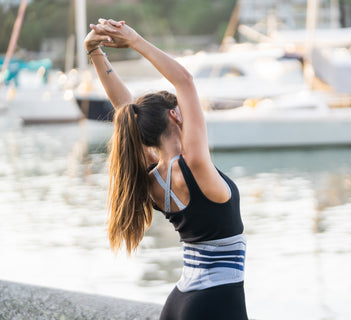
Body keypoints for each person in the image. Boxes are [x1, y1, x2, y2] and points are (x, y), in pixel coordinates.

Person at [84, 19, 248, 320]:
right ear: (175, 115)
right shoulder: (195, 165)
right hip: (215, 302)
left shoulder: (150, 180)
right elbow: (184, 80)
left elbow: (125, 109)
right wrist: (133, 39)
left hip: (180, 303)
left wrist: (94, 49)